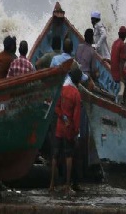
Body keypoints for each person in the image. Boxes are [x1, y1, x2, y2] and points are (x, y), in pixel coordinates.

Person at [49, 67, 83, 195]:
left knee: (55, 155)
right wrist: (76, 133)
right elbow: (76, 117)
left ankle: (51, 184)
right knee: (69, 156)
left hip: (59, 126)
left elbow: (56, 108)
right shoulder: (76, 94)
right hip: (69, 128)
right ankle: (67, 186)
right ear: (78, 81)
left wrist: (63, 117)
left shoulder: (62, 90)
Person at [110, 26, 126, 102]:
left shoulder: (114, 43)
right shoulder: (123, 45)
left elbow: (113, 58)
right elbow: (121, 63)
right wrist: (121, 78)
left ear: (118, 34)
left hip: (112, 72)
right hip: (118, 74)